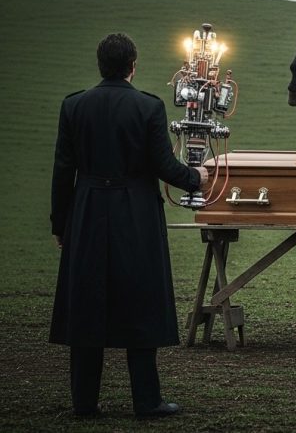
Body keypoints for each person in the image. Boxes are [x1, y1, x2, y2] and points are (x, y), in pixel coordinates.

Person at [49, 33, 208, 417]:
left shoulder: (74, 106)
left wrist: (61, 225)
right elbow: (162, 166)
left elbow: (62, 171)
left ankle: (84, 403)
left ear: (101, 64)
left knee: (86, 303)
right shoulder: (147, 107)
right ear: (132, 66)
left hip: (86, 212)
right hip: (134, 214)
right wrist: (197, 177)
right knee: (141, 300)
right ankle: (146, 400)